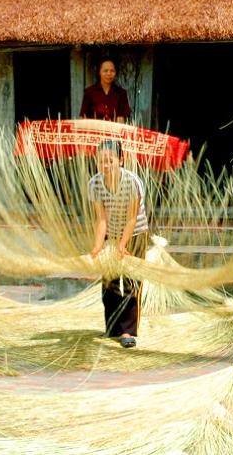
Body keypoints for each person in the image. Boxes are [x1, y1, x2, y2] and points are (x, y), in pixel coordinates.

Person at [89, 140, 148, 347]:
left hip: (135, 233)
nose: (106, 165)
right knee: (109, 280)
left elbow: (132, 219)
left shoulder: (132, 182)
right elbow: (101, 220)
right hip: (111, 233)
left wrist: (123, 245)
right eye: (101, 161)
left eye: (110, 160)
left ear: (120, 160)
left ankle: (127, 332)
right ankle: (113, 327)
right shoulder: (95, 183)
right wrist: (98, 247)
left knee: (132, 280)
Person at [79, 57, 132, 123]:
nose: (109, 74)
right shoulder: (89, 92)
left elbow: (121, 119)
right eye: (105, 71)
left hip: (114, 131)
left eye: (112, 71)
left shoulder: (121, 93)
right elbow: (84, 117)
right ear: (99, 72)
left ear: (115, 73)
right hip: (94, 130)